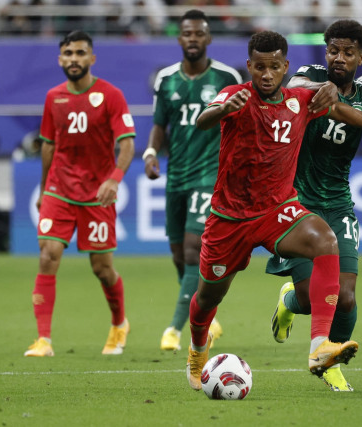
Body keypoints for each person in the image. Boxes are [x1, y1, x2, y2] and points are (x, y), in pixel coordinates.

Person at [186, 31, 362, 391]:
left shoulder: (299, 101)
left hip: (277, 211)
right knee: (208, 297)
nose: (267, 75)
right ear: (249, 66)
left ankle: (319, 349)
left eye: (274, 67)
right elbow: (201, 120)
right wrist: (222, 110)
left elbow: (344, 112)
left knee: (324, 240)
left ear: (284, 67)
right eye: (259, 67)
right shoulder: (236, 95)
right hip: (230, 218)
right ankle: (196, 349)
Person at [265, 20, 362, 392]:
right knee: (312, 299)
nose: (338, 58)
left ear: (361, 56)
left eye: (347, 52)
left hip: (338, 201)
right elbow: (296, 90)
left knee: (345, 296)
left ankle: (332, 362)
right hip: (295, 200)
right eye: (333, 51)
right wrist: (323, 87)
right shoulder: (309, 75)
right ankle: (289, 302)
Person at [25, 30, 136, 357]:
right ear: (60, 59)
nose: (74, 59)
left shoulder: (111, 95)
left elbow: (127, 143)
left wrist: (115, 178)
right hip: (60, 190)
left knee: (102, 268)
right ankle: (43, 340)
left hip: (97, 195)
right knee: (47, 256)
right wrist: (44, 190)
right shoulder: (53, 97)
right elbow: (48, 145)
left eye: (80, 53)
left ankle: (119, 323)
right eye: (68, 53)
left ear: (92, 58)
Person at [144, 9, 242, 352]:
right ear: (179, 38)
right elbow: (160, 125)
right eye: (187, 34)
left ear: (208, 38)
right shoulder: (166, 79)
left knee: (191, 248)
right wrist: (151, 153)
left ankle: (174, 327)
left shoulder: (227, 77)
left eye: (199, 34)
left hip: (210, 177)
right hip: (177, 176)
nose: (193, 39)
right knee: (177, 253)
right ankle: (205, 311)